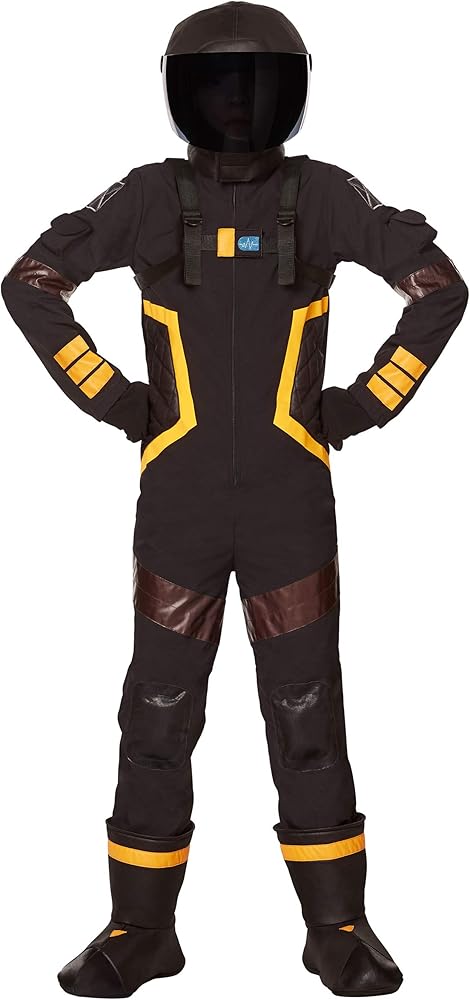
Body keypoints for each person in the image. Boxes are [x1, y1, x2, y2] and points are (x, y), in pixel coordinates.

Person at [1, 2, 467, 997]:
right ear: (181, 95)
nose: (238, 103)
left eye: (259, 83)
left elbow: (439, 288)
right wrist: (112, 398)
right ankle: (139, 930)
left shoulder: (323, 195)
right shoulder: (147, 196)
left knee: (307, 713)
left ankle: (337, 929)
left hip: (291, 508)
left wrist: (363, 405)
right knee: (156, 714)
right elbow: (30, 282)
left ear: (294, 94)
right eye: (217, 83)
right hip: (178, 507)